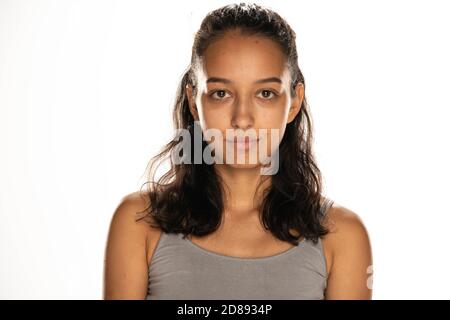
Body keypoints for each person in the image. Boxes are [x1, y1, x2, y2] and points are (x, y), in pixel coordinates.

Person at [103, 3, 373, 300]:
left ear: (294, 102)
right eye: (221, 93)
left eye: (265, 93)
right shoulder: (139, 224)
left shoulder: (342, 237)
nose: (242, 119)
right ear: (194, 101)